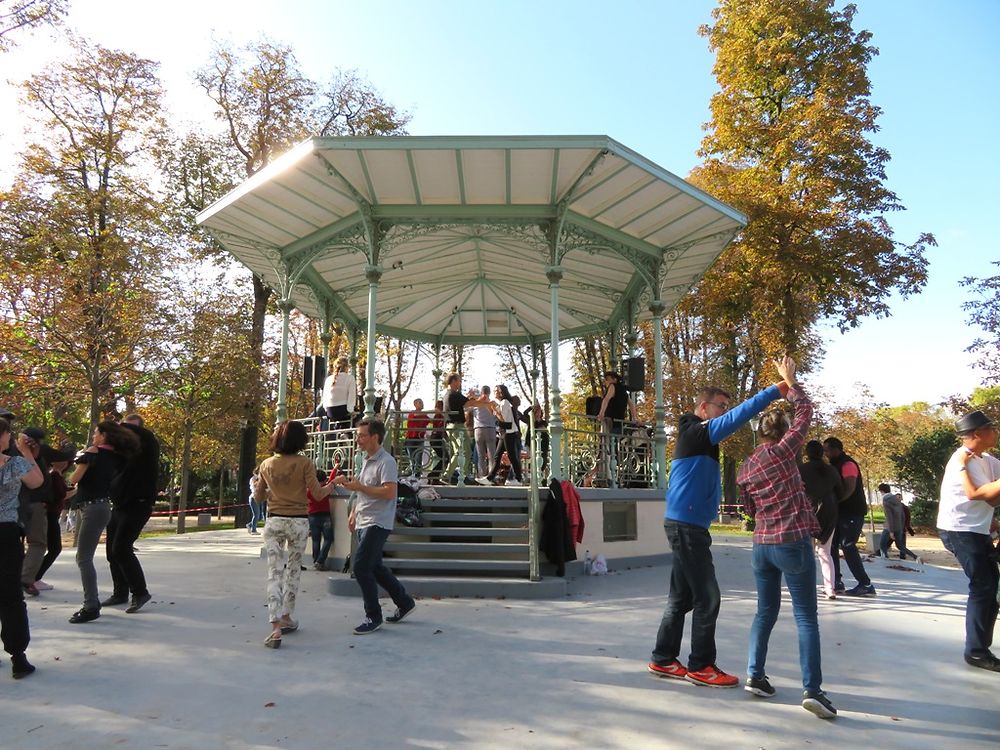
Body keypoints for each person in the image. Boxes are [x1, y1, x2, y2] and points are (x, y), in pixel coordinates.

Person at [648, 370, 790, 688]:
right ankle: (701, 666)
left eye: (727, 405)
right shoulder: (697, 432)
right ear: (703, 407)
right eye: (721, 405)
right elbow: (741, 416)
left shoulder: (701, 438)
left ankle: (663, 659)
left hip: (686, 524)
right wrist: (774, 391)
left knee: (681, 598)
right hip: (686, 527)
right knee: (708, 597)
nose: (725, 411)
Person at [738, 359, 837, 719]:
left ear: (759, 432)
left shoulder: (746, 467)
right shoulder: (784, 452)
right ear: (782, 434)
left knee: (764, 612)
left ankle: (755, 675)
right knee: (806, 617)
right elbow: (806, 411)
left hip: (762, 546)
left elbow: (748, 508)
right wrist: (790, 380)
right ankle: (813, 690)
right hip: (792, 541)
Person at [331, 419, 415, 634]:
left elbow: (389, 492)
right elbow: (362, 491)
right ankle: (404, 602)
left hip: (378, 522)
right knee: (375, 567)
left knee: (360, 567)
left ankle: (373, 616)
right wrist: (353, 511)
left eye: (362, 435)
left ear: (375, 437)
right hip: (363, 520)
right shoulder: (367, 461)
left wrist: (360, 486)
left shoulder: (387, 462)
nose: (358, 439)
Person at [257, 420, 335, 648]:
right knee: (293, 570)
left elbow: (259, 497)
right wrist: (333, 484)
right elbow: (319, 494)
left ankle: (274, 626)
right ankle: (287, 617)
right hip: (299, 522)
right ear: (301, 440)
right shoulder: (305, 463)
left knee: (274, 571)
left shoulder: (266, 464)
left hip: (274, 520)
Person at [937, 409, 1000, 672]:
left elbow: (993, 496)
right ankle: (975, 651)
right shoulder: (963, 460)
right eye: (991, 427)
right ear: (977, 433)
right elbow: (981, 495)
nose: (995, 431)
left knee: (989, 588)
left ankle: (979, 648)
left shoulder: (985, 459)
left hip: (977, 529)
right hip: (960, 531)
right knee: (983, 587)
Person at [66, 421, 139, 623]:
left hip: (92, 508)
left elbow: (74, 478)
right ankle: (92, 602)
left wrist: (82, 461)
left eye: (96, 433)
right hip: (102, 507)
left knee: (83, 558)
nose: (93, 437)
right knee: (84, 557)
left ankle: (90, 605)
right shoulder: (117, 457)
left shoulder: (93, 452)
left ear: (104, 435)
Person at [0, 420, 44, 678]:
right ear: (4, 436)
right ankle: (18, 657)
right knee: (10, 597)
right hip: (5, 532)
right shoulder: (14, 463)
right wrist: (26, 451)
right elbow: (37, 481)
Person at [103, 414, 160, 614]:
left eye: (130, 429)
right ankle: (120, 592)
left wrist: (119, 426)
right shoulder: (124, 453)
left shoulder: (148, 445)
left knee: (121, 548)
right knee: (111, 551)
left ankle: (140, 592)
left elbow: (143, 434)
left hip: (139, 505)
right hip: (120, 506)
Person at [823, 437, 876, 597]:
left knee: (847, 545)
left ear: (836, 449)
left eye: (827, 450)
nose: (825, 453)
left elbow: (850, 488)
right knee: (831, 545)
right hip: (839, 512)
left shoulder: (847, 464)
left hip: (852, 511)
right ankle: (836, 582)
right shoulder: (833, 465)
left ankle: (865, 584)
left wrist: (836, 501)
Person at [798, 440, 843, 600]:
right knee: (825, 551)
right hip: (829, 511)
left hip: (808, 511)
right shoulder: (831, 470)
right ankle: (830, 588)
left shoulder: (801, 469)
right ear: (822, 453)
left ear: (806, 453)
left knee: (807, 551)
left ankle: (806, 587)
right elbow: (841, 491)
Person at [33, 448, 77, 591]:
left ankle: (34, 577)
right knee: (54, 548)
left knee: (52, 548)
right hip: (50, 515)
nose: (64, 462)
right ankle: (34, 577)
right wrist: (77, 490)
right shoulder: (52, 476)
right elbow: (59, 496)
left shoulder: (58, 476)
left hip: (53, 515)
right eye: (60, 459)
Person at [18, 427, 52, 597]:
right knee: (37, 543)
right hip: (33, 503)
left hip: (21, 504)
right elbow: (37, 482)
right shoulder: (29, 457)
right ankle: (25, 578)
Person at [442, 374, 491, 485]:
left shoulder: (447, 395)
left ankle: (449, 476)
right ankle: (461, 476)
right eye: (459, 381)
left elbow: (466, 402)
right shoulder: (455, 394)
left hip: (450, 427)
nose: (459, 383)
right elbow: (471, 403)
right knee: (465, 451)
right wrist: (487, 403)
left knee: (458, 452)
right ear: (454, 381)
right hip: (457, 427)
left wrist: (474, 399)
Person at [596, 371, 637, 484]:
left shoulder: (612, 387)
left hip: (610, 420)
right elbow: (631, 405)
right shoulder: (624, 391)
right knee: (613, 447)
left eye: (607, 379)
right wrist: (634, 418)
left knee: (608, 446)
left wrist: (601, 413)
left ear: (614, 379)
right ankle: (615, 475)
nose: (606, 382)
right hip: (619, 422)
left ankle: (609, 476)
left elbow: (606, 399)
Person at [479, 384, 524, 486]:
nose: (494, 392)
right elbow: (495, 415)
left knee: (512, 457)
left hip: (509, 433)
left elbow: (503, 419)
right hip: (504, 433)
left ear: (501, 392)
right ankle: (489, 478)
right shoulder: (502, 403)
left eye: (496, 391)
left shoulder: (505, 403)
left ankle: (518, 479)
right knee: (497, 456)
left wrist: (495, 409)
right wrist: (490, 406)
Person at [878, 483, 918, 560]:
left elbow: (889, 516)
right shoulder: (896, 499)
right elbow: (902, 514)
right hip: (899, 526)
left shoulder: (885, 499)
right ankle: (916, 557)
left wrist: (891, 531)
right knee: (900, 546)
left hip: (889, 527)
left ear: (881, 491)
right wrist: (902, 526)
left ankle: (884, 561)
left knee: (882, 545)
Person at [307, 469, 334, 571]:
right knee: (328, 539)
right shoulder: (325, 488)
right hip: (325, 516)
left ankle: (315, 561)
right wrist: (335, 468)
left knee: (316, 540)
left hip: (312, 516)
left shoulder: (309, 490)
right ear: (324, 479)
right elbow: (332, 480)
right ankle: (320, 560)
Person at [321, 356, 356, 430]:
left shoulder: (328, 379)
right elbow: (351, 397)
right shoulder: (350, 378)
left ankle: (340, 431)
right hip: (343, 410)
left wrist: (326, 410)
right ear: (347, 367)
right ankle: (346, 434)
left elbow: (324, 398)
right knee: (358, 415)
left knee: (341, 419)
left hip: (330, 411)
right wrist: (351, 410)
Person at [472, 386, 497, 479]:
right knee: (492, 455)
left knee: (480, 455)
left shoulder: (476, 404)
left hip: (478, 429)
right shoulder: (492, 403)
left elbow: (466, 411)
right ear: (489, 392)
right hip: (490, 429)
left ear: (481, 392)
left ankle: (482, 476)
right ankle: (491, 477)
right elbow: (496, 414)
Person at [404, 398, 431, 478]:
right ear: (415, 404)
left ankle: (416, 476)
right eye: (420, 402)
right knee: (412, 459)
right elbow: (416, 416)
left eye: (422, 402)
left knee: (418, 458)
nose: (422, 404)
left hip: (419, 439)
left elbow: (431, 421)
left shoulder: (424, 416)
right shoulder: (412, 413)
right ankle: (413, 476)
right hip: (410, 439)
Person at [248, 470, 267, 534]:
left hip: (259, 498)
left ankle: (250, 525)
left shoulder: (259, 478)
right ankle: (253, 530)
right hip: (254, 498)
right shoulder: (254, 478)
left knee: (260, 516)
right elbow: (255, 487)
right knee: (256, 515)